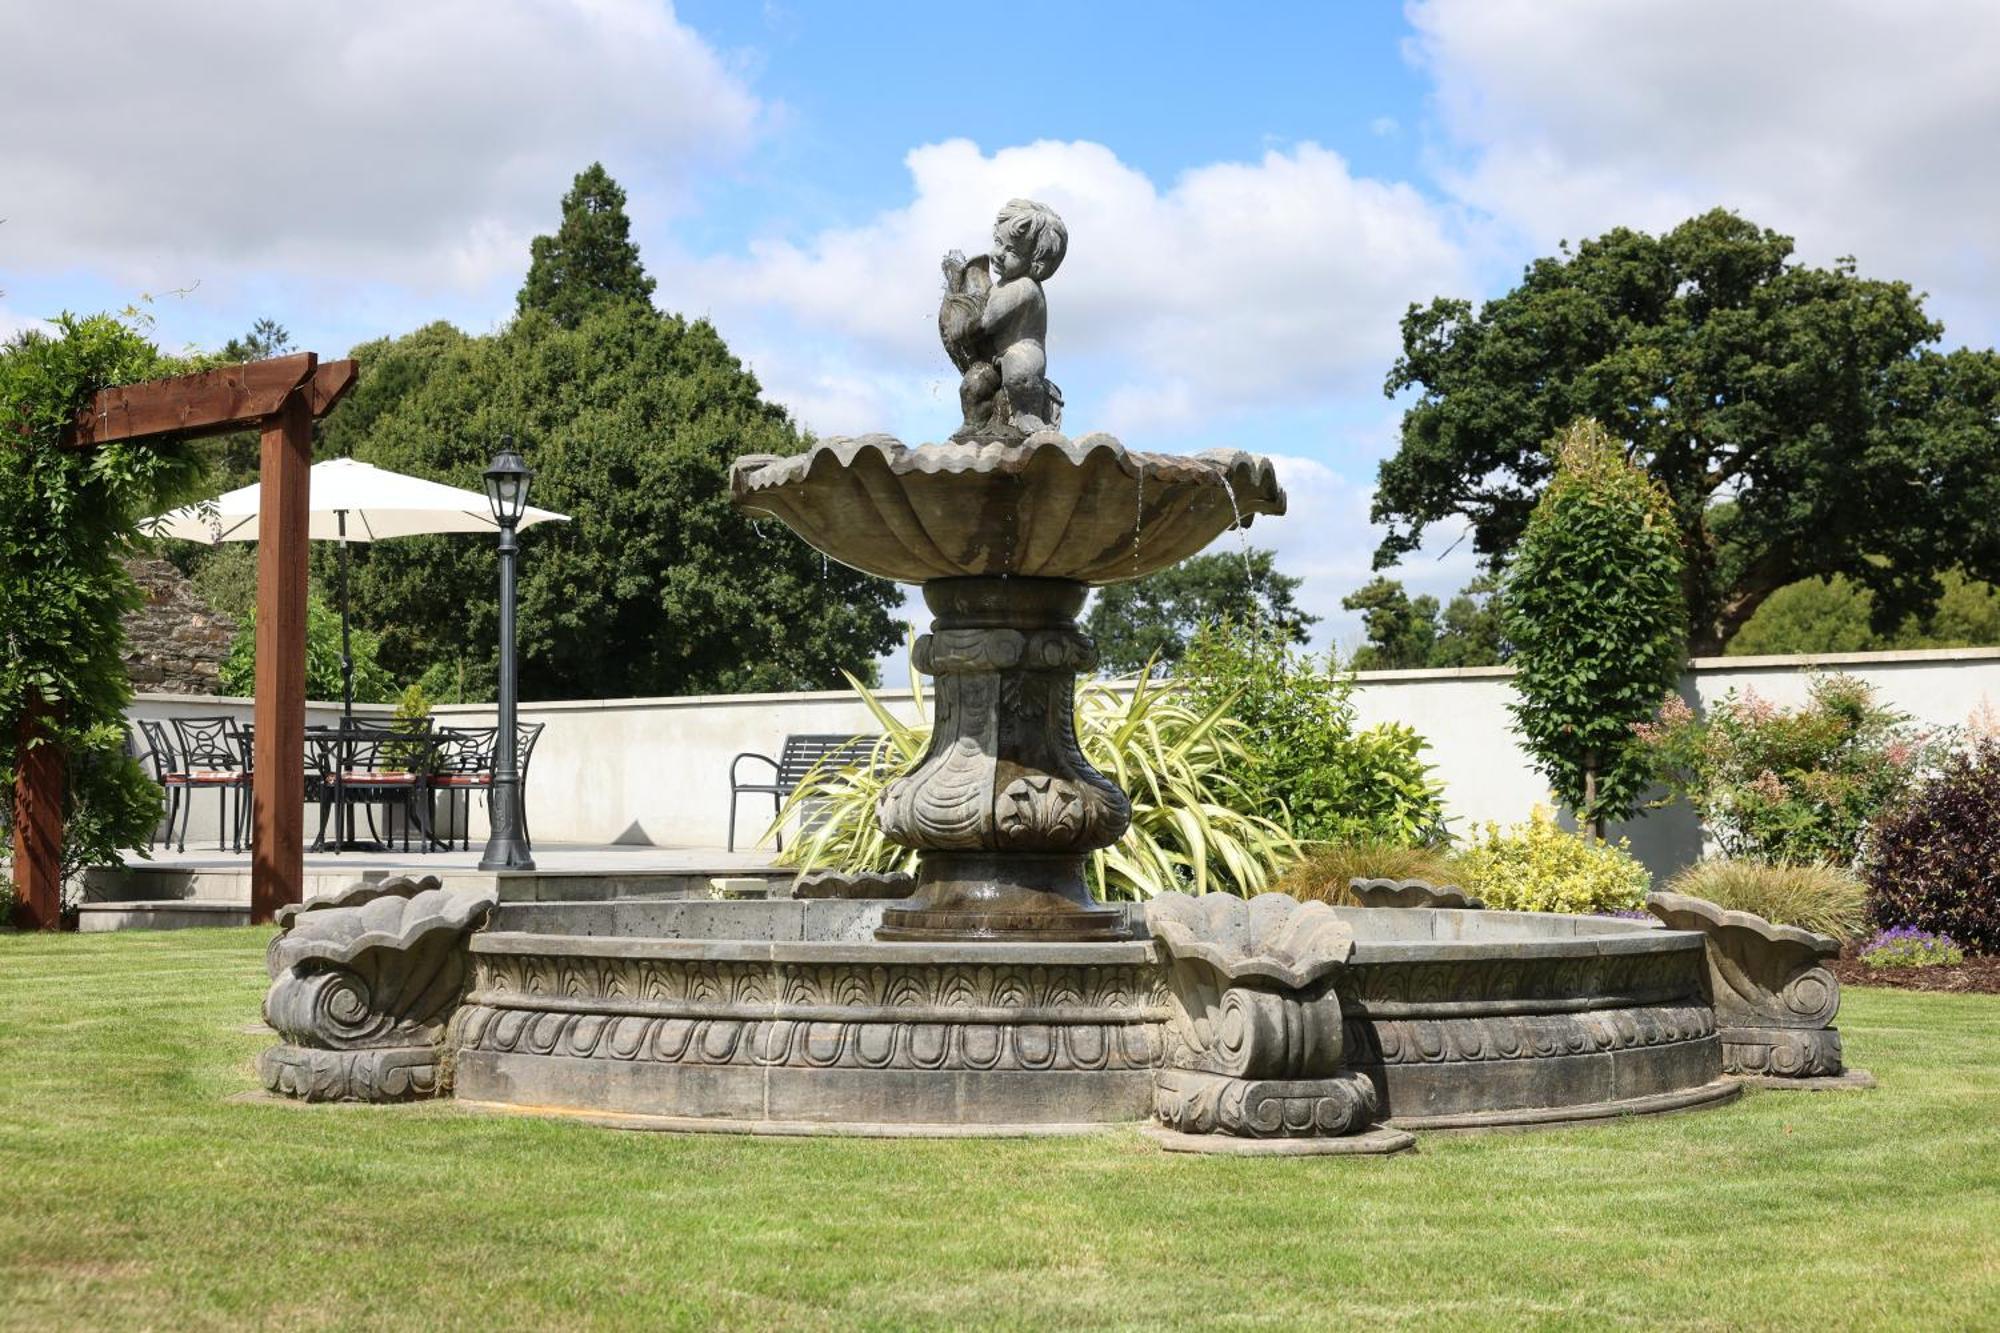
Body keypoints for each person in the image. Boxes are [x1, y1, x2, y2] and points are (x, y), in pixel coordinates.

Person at [940, 199, 1068, 437]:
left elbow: (988, 322)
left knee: (1019, 372)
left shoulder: (1024, 288)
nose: (997, 254)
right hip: (995, 355)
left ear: (1037, 263)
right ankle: (973, 425)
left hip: (1022, 353)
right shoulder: (1002, 285)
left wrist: (963, 330)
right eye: (999, 242)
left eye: (1011, 251)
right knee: (973, 384)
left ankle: (1026, 414)